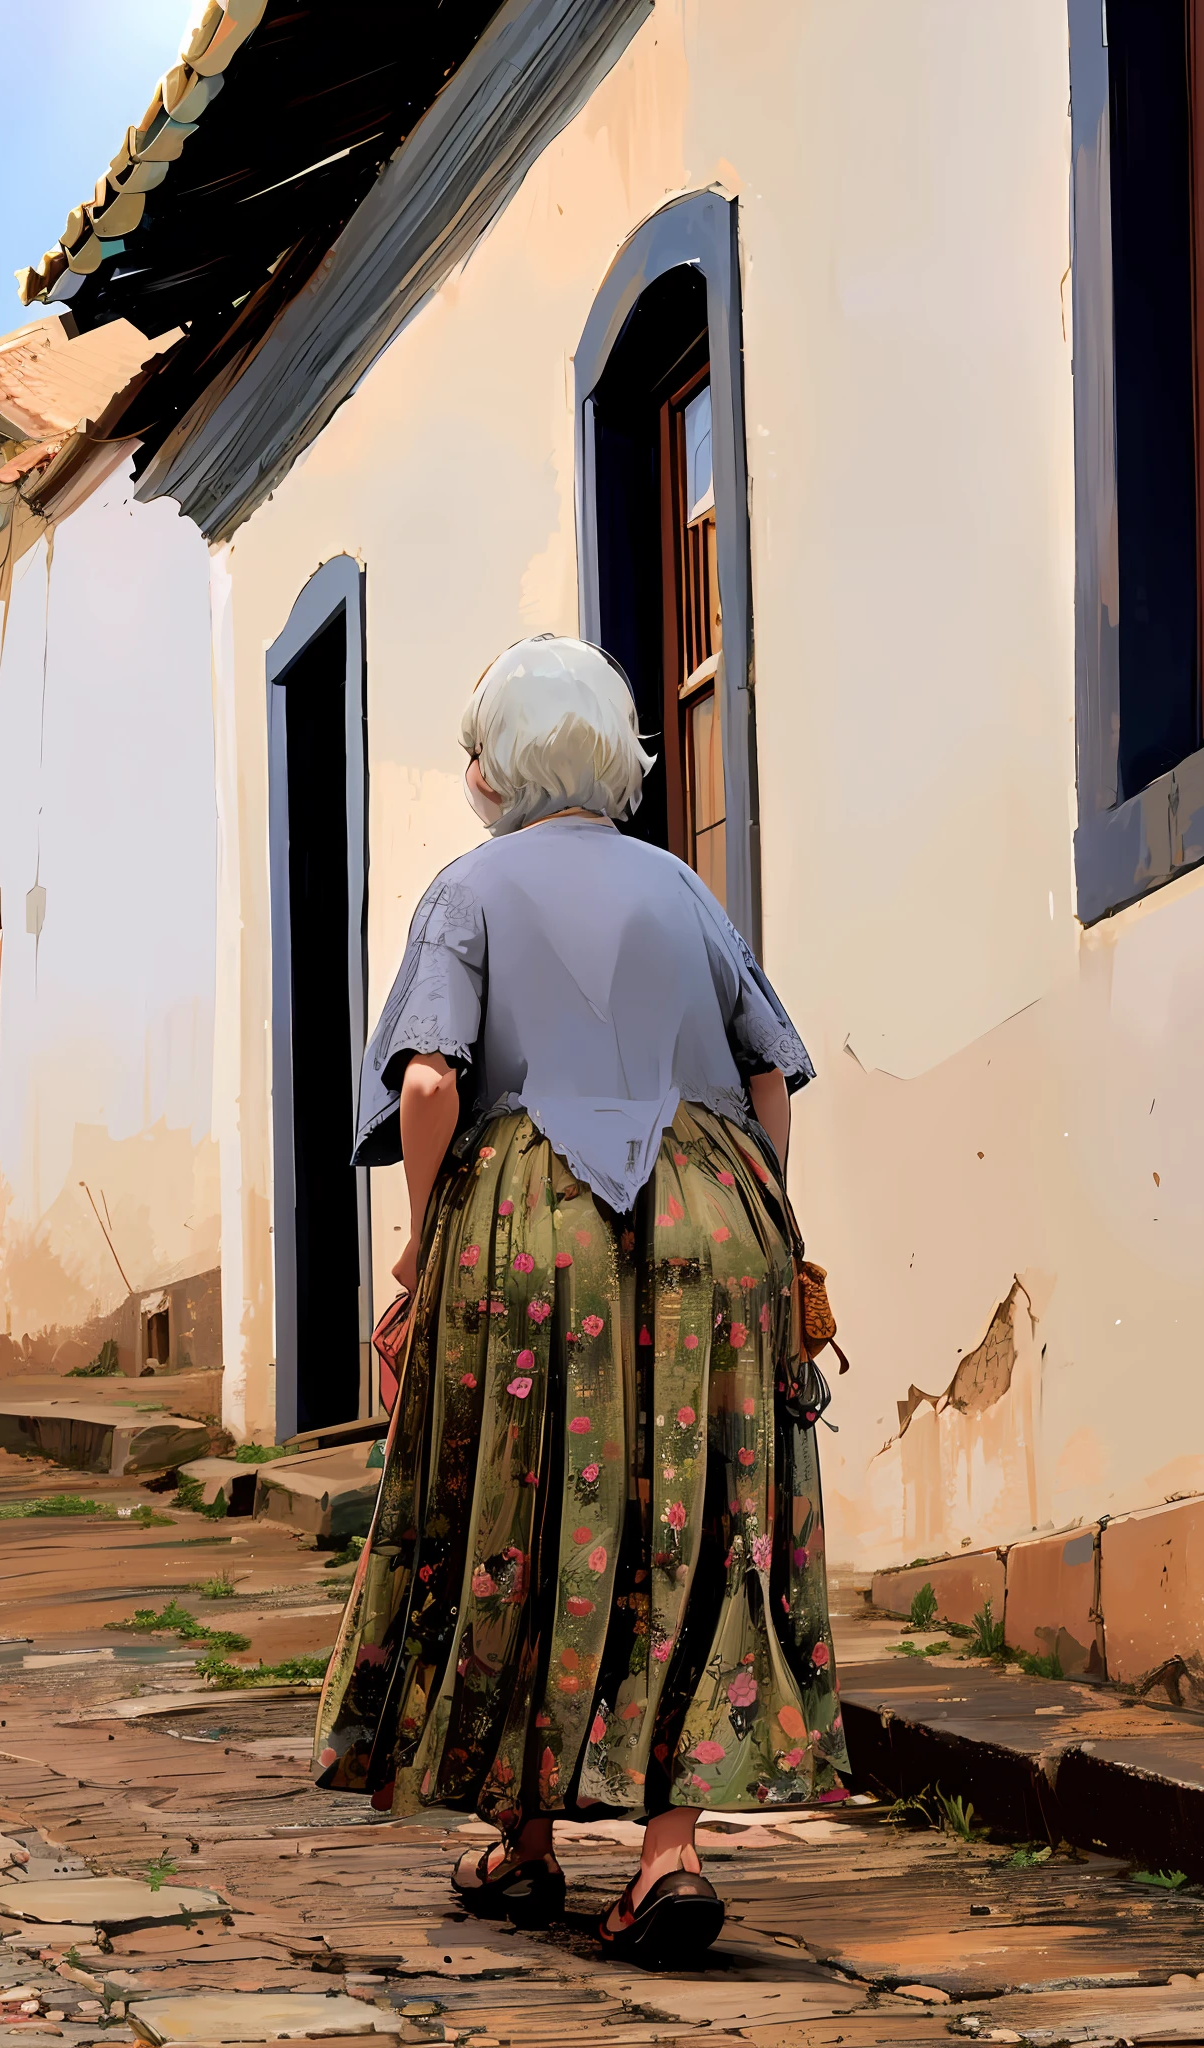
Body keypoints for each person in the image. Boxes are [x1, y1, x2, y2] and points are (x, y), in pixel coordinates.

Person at [312, 634, 849, 1969]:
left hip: (535, 1221)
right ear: (619, 756)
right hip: (713, 1217)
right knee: (698, 1517)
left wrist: (434, 1235)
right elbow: (770, 1075)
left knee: (517, 1505)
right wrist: (750, 1222)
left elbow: (429, 1085)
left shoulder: (470, 890)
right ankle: (670, 1859)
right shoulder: (683, 890)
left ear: (491, 767)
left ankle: (527, 1840)